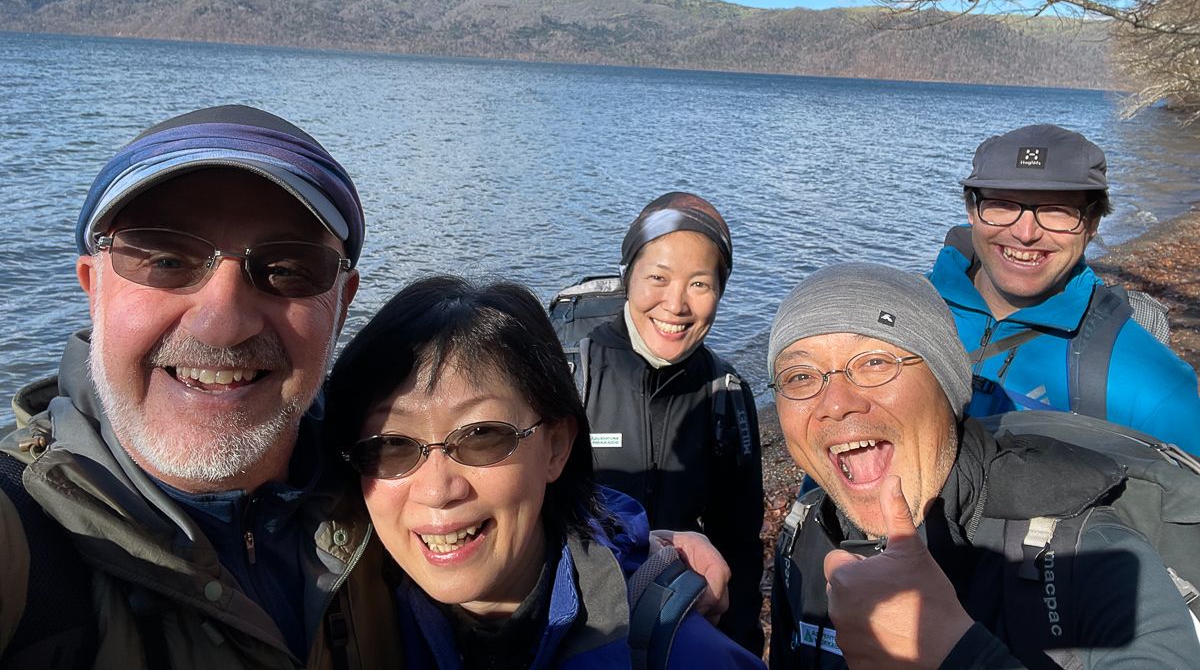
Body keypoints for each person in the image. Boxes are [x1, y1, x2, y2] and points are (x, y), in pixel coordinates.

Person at [0, 104, 405, 667]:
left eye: (288, 269)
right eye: (166, 260)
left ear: (340, 308)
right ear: (94, 288)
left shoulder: (405, 492)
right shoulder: (20, 529)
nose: (222, 321)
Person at [767, 262, 1199, 669]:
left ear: (947, 383)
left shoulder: (1093, 553)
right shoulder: (804, 536)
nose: (836, 404)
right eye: (799, 376)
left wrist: (955, 656)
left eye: (875, 363)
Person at [325, 275, 764, 669]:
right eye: (392, 446)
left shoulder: (684, 656)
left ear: (556, 446)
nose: (438, 490)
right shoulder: (331, 616)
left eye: (481, 435)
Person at [928, 124, 1200, 454]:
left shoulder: (1153, 386)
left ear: (1093, 223)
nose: (1025, 233)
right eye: (1003, 204)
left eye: (1056, 210)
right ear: (973, 211)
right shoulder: (903, 312)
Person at [572, 192, 765, 653]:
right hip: (580, 625)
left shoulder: (727, 394)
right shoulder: (569, 376)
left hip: (680, 624)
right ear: (627, 277)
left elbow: (740, 542)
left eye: (700, 283)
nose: (676, 305)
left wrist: (739, 646)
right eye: (658, 278)